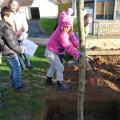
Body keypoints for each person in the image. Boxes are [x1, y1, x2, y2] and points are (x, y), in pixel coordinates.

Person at [45, 8, 84, 91]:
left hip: (54, 51)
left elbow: (72, 37)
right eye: (64, 26)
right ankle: (60, 84)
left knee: (53, 66)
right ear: (61, 24)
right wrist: (77, 54)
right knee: (60, 67)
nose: (66, 28)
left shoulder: (67, 30)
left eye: (68, 26)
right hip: (51, 52)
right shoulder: (61, 33)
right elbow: (68, 46)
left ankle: (48, 80)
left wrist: (78, 46)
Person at [0, 6, 25, 90]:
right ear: (5, 17)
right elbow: (12, 44)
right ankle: (17, 85)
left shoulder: (2, 25)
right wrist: (21, 50)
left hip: (6, 51)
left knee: (12, 68)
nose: (13, 19)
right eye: (12, 17)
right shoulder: (6, 28)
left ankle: (13, 82)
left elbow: (9, 39)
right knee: (17, 68)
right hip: (10, 52)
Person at [8, 0, 32, 70]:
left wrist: (21, 31)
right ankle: (22, 66)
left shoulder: (21, 14)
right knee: (17, 52)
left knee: (25, 51)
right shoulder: (7, 14)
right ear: (9, 4)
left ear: (17, 6)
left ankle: (29, 64)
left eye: (15, 5)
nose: (13, 6)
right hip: (13, 37)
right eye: (12, 4)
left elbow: (25, 25)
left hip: (22, 36)